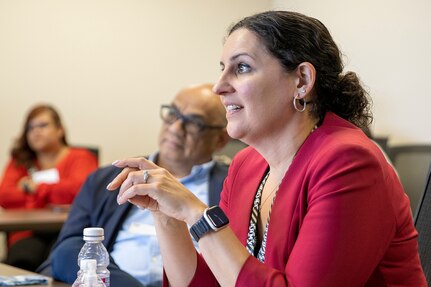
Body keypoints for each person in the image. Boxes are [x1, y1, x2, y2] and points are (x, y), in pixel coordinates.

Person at [109, 11, 427, 286]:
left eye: (242, 67)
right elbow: (214, 282)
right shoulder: (246, 164)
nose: (219, 86)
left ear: (301, 80)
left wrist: (196, 213)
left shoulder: (348, 161)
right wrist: (166, 213)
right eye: (222, 68)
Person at [37, 83, 230, 287]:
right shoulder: (108, 179)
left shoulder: (233, 186)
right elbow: (68, 250)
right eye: (172, 113)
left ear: (220, 139)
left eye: (194, 122)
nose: (175, 128)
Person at [0, 104, 98, 271]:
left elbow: (79, 191)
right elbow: (5, 195)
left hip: (68, 231)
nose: (36, 132)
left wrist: (35, 189)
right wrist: (54, 193)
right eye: (30, 128)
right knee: (22, 259)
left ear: (60, 130)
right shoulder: (20, 160)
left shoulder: (81, 157)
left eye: (43, 125)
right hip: (27, 232)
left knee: (61, 262)